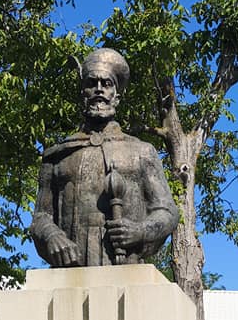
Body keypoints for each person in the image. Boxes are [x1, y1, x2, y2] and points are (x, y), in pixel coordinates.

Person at [30, 48, 178, 267]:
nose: (98, 89)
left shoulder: (142, 151)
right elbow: (41, 216)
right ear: (82, 93)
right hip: (71, 269)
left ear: (116, 96)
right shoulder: (58, 156)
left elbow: (167, 212)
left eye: (106, 84)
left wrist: (140, 231)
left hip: (124, 267)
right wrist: (51, 235)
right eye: (91, 83)